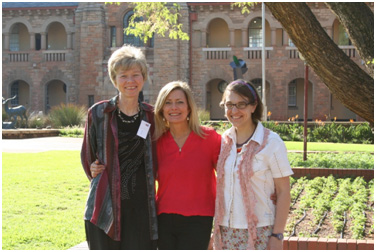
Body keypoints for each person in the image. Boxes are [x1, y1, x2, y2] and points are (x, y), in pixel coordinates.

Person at [81, 44, 158, 249]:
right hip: (105, 206)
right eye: (123, 75)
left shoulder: (152, 115)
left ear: (144, 77)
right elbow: (87, 157)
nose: (130, 81)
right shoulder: (98, 113)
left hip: (141, 208)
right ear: (114, 79)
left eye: (136, 74)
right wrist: (93, 169)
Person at [213, 79, 293, 250]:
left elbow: (284, 191)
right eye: (229, 104)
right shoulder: (223, 141)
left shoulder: (271, 142)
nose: (234, 111)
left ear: (253, 106)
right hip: (226, 232)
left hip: (260, 232)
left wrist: (277, 235)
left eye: (241, 104)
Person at [154, 81, 222, 249]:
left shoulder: (210, 138)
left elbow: (229, 174)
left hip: (199, 218)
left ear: (189, 107)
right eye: (168, 103)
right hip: (164, 218)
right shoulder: (156, 142)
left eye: (179, 102)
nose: (174, 107)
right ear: (161, 109)